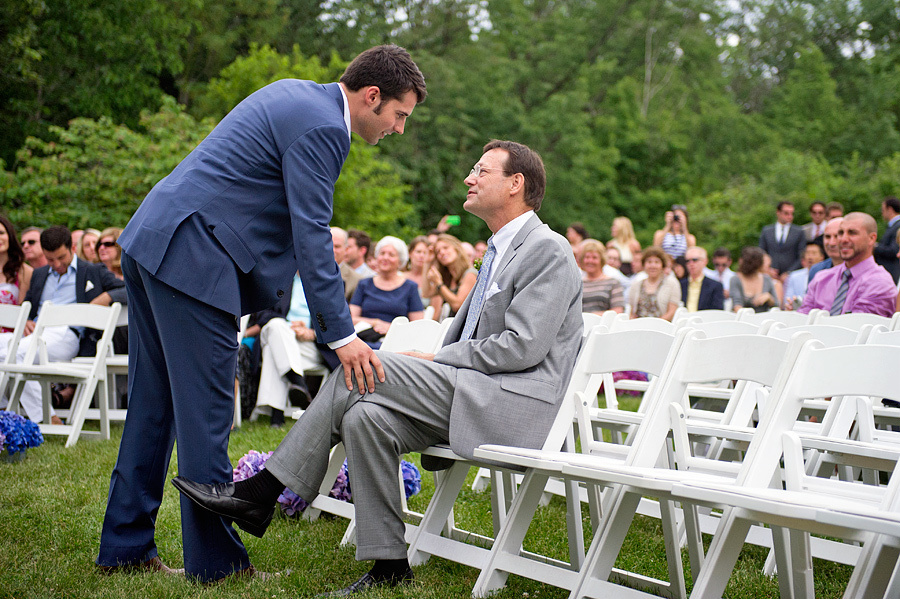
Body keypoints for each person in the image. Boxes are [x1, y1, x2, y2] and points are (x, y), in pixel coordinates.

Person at [172, 139, 582, 595]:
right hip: (474, 391)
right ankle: (389, 563)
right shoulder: (500, 248)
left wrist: (437, 358)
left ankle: (262, 492)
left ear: (515, 184)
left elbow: (522, 347)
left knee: (363, 366)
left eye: (481, 171)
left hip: (514, 404)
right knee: (365, 416)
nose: (469, 178)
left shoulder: (547, 249)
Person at [96, 44, 427, 582]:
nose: (398, 129)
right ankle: (217, 566)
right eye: (399, 115)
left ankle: (125, 547)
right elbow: (313, 234)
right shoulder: (326, 128)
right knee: (205, 418)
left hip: (154, 240)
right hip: (193, 260)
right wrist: (341, 336)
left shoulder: (297, 93)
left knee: (153, 409)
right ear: (373, 97)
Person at [11, 226, 125, 423]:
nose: (56, 264)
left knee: (17, 354)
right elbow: (28, 305)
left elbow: (130, 289)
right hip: (34, 333)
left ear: (72, 248)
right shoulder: (39, 274)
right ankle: (8, 411)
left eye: (61, 257)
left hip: (67, 336)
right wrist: (26, 320)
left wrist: (107, 296)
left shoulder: (92, 271)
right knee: (8, 354)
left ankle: (45, 417)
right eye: (50, 259)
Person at [253, 273, 323, 428]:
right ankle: (298, 383)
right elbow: (263, 315)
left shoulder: (325, 282)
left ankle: (277, 416)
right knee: (277, 326)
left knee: (275, 350)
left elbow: (336, 321)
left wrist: (313, 333)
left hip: (310, 345)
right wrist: (289, 326)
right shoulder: (279, 279)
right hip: (281, 333)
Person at [798, 212, 896, 317]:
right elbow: (802, 320)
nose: (843, 239)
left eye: (852, 233)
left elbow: (857, 328)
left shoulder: (880, 283)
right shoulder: (821, 279)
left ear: (871, 238)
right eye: (841, 233)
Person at [350, 236, 424, 343]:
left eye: (391, 255)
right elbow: (351, 319)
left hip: (395, 341)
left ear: (400, 261)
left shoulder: (410, 287)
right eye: (382, 253)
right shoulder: (364, 284)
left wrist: (391, 328)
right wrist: (375, 322)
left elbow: (417, 325)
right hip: (364, 338)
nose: (385, 258)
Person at [425, 234, 477, 319]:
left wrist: (439, 284)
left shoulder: (470, 274)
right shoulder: (448, 277)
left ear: (456, 248)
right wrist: (427, 262)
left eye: (445, 247)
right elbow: (426, 293)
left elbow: (457, 305)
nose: (441, 252)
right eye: (438, 251)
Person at [627, 246, 680, 320]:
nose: (653, 266)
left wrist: (655, 325)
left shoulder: (672, 283)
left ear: (662, 265)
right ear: (644, 265)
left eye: (657, 262)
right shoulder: (636, 285)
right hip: (639, 326)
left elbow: (672, 311)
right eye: (649, 262)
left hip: (663, 326)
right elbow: (631, 312)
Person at [758, 201, 805, 278]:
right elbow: (762, 252)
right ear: (778, 212)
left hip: (791, 276)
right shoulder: (767, 231)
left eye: (791, 213)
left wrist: (789, 273)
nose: (790, 216)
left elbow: (801, 255)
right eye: (786, 213)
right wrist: (769, 270)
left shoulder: (799, 232)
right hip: (770, 275)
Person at [580, 239, 624, 314]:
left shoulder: (613, 283)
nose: (590, 261)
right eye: (587, 257)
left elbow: (618, 310)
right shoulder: (578, 284)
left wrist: (593, 316)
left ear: (602, 260)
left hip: (605, 324)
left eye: (594, 257)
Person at [730, 246, 778, 313]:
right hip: (743, 319)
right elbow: (737, 306)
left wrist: (769, 298)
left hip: (764, 319)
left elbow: (777, 305)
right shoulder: (735, 279)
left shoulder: (766, 279)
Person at [0, 216, 33, 309]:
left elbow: (23, 309)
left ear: (9, 236)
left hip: (14, 322)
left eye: (1, 233)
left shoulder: (24, 271)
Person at [681, 246, 724, 312]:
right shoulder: (680, 284)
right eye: (687, 261)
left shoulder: (715, 286)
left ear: (705, 261)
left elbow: (717, 312)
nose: (691, 264)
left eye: (695, 260)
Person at [783, 242, 824, 309]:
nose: (810, 257)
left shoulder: (827, 275)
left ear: (822, 257)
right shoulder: (794, 276)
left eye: (814, 253)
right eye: (808, 253)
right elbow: (788, 299)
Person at [808, 217, 844, 283]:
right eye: (827, 237)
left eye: (836, 236)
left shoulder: (860, 270)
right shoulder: (816, 270)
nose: (831, 243)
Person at [331, 227, 362, 302]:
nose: (332, 250)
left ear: (346, 249)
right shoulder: (306, 272)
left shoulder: (356, 280)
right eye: (329, 245)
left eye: (337, 246)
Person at [874, 196, 900, 284]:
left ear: (890, 209)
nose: (882, 213)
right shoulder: (893, 226)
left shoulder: (897, 226)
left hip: (892, 272)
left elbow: (894, 250)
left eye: (883, 210)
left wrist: (875, 246)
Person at [405, 236, 435, 309]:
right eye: (418, 252)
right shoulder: (399, 277)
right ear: (410, 253)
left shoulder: (433, 280)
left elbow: (435, 313)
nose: (421, 256)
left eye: (425, 253)